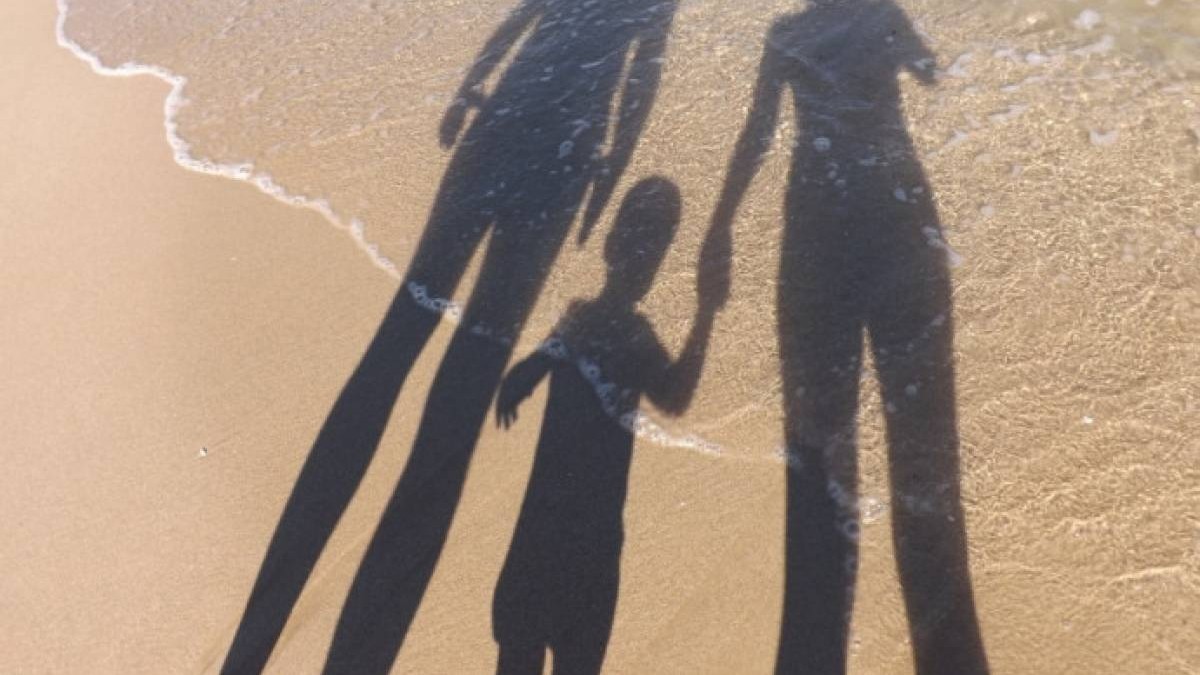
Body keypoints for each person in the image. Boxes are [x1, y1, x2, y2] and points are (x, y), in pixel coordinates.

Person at [222, 1, 678, 673]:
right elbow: (641, 77)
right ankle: (364, 628)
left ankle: (266, 625)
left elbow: (525, 18)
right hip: (562, 160)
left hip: (503, 122)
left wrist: (473, 84)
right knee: (470, 368)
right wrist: (611, 169)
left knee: (400, 334)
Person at [701, 2, 989, 673]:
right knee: (924, 448)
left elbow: (758, 130)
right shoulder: (883, 15)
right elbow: (932, 73)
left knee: (820, 449)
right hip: (899, 214)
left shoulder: (787, 33)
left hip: (815, 222)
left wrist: (721, 225)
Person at [492, 178, 715, 674]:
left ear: (609, 245)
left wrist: (521, 379)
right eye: (651, 250)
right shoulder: (634, 338)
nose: (645, 262)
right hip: (592, 539)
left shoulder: (579, 320)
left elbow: (535, 365)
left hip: (543, 526)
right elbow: (675, 397)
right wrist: (704, 315)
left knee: (518, 652)